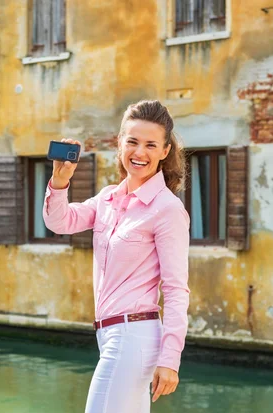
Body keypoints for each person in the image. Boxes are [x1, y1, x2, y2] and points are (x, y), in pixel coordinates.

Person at [43, 100, 190, 413]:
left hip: (133, 336)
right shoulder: (107, 199)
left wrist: (170, 360)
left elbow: (176, 290)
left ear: (165, 151)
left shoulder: (167, 209)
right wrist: (59, 181)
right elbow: (60, 222)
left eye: (151, 144)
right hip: (109, 334)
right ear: (120, 143)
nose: (140, 153)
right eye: (133, 141)